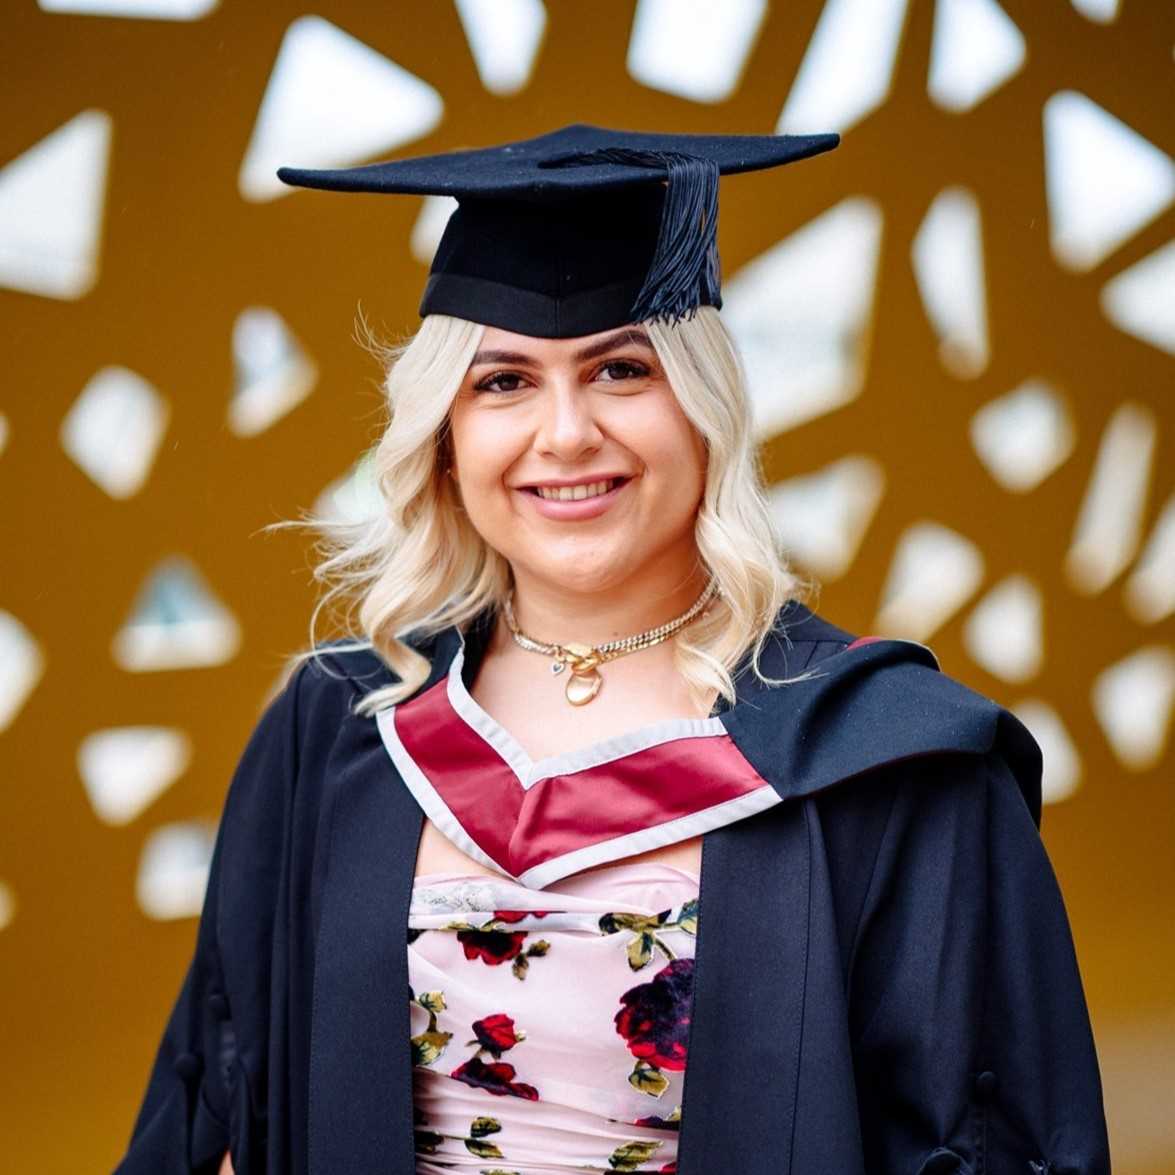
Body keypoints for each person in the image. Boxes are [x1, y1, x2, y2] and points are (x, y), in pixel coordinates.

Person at [113, 125, 1110, 1175]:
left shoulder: (887, 760)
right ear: (444, 441)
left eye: (620, 370)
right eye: (502, 382)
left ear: (704, 408)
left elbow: (992, 1141)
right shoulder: (337, 730)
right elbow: (219, 1115)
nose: (565, 433)